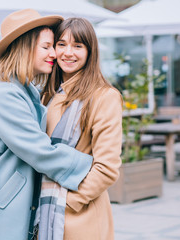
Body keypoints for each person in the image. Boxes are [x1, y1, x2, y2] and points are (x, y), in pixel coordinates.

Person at [0, 9, 93, 240]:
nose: (54, 53)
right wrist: (91, 164)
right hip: (0, 203)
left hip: (13, 198)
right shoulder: (6, 94)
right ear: (25, 47)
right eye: (46, 47)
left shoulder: (24, 89)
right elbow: (40, 151)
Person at [41, 17, 123, 239]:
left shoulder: (104, 96)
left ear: (90, 51)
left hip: (82, 216)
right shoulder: (48, 94)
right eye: (62, 44)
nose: (68, 52)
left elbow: (107, 167)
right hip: (45, 213)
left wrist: (69, 201)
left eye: (78, 46)